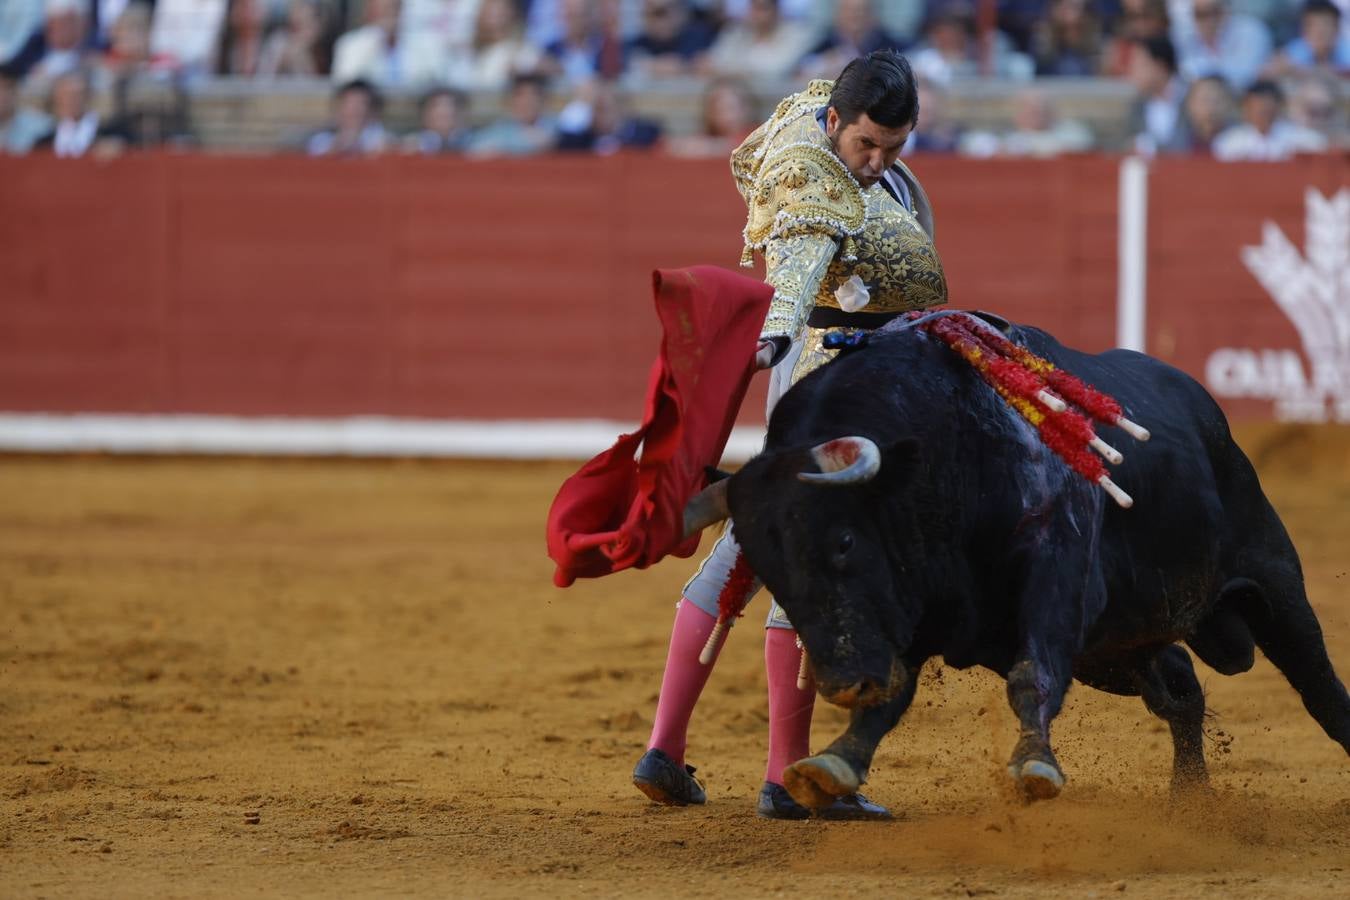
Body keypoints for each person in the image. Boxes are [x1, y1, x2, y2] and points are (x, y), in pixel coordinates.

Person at [631, 50, 948, 821]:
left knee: (749, 549)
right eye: (866, 145)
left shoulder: (823, 118)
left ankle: (666, 750)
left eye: (893, 148)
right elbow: (795, 274)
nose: (875, 163)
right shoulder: (814, 181)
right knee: (816, 562)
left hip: (850, 379)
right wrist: (768, 341)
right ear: (836, 123)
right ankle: (784, 777)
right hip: (835, 385)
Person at [1212, 77, 1329, 159]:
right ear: (1246, 109)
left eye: (1266, 109)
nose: (1262, 113)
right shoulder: (1229, 142)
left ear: (1279, 107)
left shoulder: (1304, 140)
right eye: (1256, 108)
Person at [304, 78, 389, 156]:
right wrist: (341, 144)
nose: (355, 110)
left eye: (361, 103)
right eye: (350, 104)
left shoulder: (379, 138)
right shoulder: (321, 139)